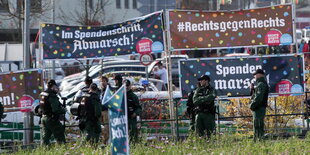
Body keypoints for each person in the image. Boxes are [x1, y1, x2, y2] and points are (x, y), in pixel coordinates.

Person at [40, 79, 66, 145]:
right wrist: (63, 110)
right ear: (53, 86)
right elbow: (55, 109)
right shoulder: (52, 96)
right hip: (52, 119)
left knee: (45, 138)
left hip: (44, 118)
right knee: (60, 136)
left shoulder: (43, 94)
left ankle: (44, 151)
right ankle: (62, 150)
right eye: (55, 87)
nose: (57, 88)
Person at [249, 69, 269, 141]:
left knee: (258, 125)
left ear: (259, 75)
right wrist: (253, 90)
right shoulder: (261, 84)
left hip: (259, 108)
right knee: (257, 125)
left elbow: (258, 98)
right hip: (259, 107)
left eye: (255, 74)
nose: (254, 76)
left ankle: (258, 140)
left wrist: (252, 105)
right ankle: (258, 139)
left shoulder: (261, 84)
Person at [100, 75, 110, 144]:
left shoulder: (108, 90)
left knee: (106, 127)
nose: (103, 83)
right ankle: (104, 140)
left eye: (104, 81)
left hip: (106, 111)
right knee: (102, 127)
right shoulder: (102, 90)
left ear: (107, 82)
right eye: (102, 81)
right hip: (102, 111)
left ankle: (105, 142)